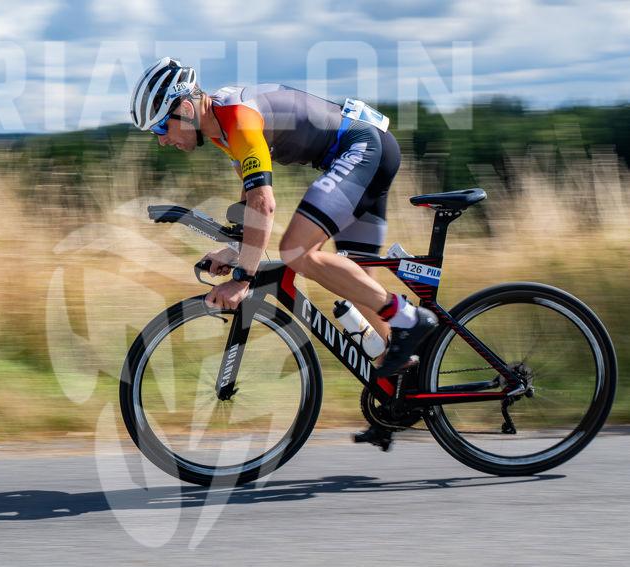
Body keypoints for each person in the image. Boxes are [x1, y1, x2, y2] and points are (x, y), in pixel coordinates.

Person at [130, 57, 437, 449]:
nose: (161, 139)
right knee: (358, 287)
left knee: (296, 251)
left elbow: (264, 204)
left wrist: (243, 279)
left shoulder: (236, 118)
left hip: (361, 148)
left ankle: (410, 318)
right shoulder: (222, 128)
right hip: (367, 150)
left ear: (186, 108)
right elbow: (249, 204)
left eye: (161, 126)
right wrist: (235, 250)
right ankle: (399, 398)